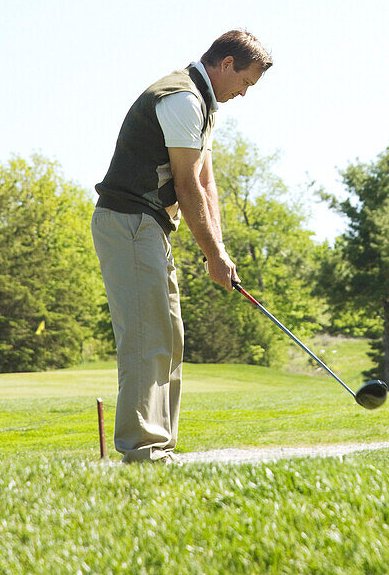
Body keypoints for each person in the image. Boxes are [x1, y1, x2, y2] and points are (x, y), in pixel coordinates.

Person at [92, 29, 272, 464]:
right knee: (145, 338)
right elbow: (187, 186)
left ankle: (160, 446)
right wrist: (212, 255)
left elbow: (207, 183)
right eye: (245, 82)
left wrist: (221, 252)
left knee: (169, 338)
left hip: (149, 227)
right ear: (226, 64)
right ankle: (144, 452)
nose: (244, 94)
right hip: (129, 222)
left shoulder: (204, 105)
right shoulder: (182, 99)